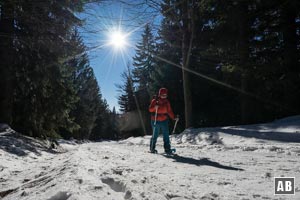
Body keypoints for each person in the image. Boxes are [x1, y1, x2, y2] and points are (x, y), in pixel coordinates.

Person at [149, 88, 178, 154]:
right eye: (162, 95)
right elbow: (150, 109)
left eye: (165, 95)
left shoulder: (167, 102)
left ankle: (167, 149)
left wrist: (173, 117)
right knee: (155, 135)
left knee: (166, 135)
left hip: (164, 120)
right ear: (160, 94)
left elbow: (169, 111)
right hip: (155, 120)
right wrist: (154, 107)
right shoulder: (155, 101)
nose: (164, 96)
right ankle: (152, 148)